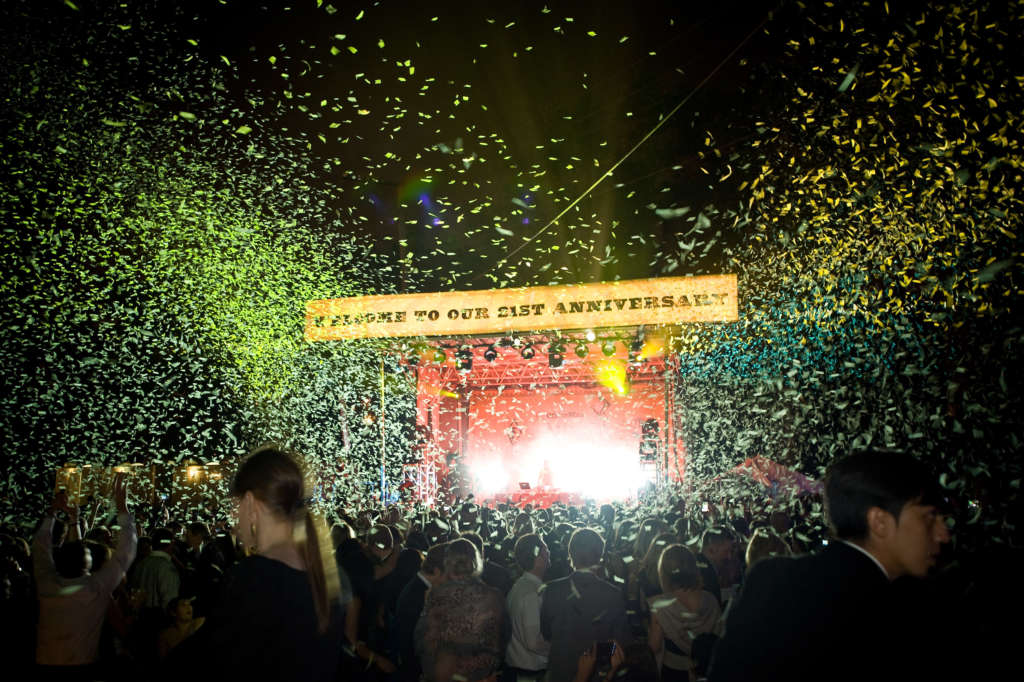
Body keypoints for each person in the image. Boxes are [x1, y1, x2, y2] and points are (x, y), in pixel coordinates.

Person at [708, 450, 952, 682]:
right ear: (879, 522)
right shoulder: (913, 611)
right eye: (929, 516)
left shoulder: (773, 580)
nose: (943, 534)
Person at [167, 444, 343, 681]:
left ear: (250, 503)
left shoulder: (254, 578)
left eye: (234, 505)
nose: (233, 517)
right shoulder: (325, 573)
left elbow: (201, 662)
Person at [33, 474, 137, 675]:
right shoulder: (96, 587)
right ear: (88, 564)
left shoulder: (46, 583)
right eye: (87, 552)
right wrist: (122, 507)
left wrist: (54, 512)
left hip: (43, 664)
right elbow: (126, 552)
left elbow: (40, 549)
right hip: (82, 667)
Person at [540, 528, 631, 682]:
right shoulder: (613, 594)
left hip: (559, 672)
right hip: (597, 674)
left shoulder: (551, 589)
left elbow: (546, 632)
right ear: (600, 556)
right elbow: (620, 642)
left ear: (571, 554)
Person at [646, 545, 721, 682]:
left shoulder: (658, 606)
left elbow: (654, 647)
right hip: (705, 670)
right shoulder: (711, 599)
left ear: (664, 572)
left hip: (673, 673)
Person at [395, 544, 446, 682]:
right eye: (448, 574)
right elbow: (417, 644)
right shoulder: (418, 595)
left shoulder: (417, 586)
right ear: (436, 571)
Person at [504, 534, 551, 681]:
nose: (549, 553)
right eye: (546, 550)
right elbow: (533, 641)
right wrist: (560, 649)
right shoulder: (531, 593)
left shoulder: (520, 585)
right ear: (537, 558)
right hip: (529, 673)